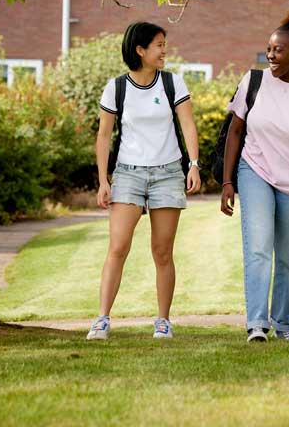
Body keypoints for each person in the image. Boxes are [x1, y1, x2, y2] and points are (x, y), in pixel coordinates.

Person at [220, 10, 289, 342]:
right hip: (255, 169)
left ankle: (284, 325)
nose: (271, 55)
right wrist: (227, 181)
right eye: (269, 49)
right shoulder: (253, 81)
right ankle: (257, 324)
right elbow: (235, 131)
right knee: (258, 248)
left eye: (278, 50)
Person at [87, 21, 201, 340]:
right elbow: (104, 136)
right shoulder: (116, 88)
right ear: (140, 50)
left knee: (162, 251)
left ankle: (163, 321)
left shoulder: (172, 83)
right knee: (118, 247)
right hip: (128, 174)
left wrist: (193, 165)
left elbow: (188, 125)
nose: (165, 51)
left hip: (168, 173)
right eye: (159, 45)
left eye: (165, 44)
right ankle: (102, 319)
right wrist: (103, 180)